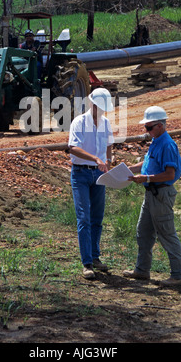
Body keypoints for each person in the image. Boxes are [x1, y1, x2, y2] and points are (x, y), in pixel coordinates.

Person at [124, 106, 181, 287]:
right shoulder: (157, 141)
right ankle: (142, 271)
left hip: (161, 194)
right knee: (143, 233)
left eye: (149, 128)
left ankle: (178, 275)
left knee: (167, 234)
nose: (147, 131)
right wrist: (132, 169)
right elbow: (150, 161)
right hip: (152, 194)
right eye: (146, 128)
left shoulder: (167, 144)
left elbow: (169, 174)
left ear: (160, 126)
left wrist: (147, 178)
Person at [68, 88, 114, 279]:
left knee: (97, 218)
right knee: (84, 218)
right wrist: (96, 159)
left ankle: (95, 257)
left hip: (99, 174)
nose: (101, 111)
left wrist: (109, 161)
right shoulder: (79, 122)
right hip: (81, 173)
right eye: (99, 107)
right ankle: (86, 263)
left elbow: (110, 143)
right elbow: (73, 147)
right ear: (91, 104)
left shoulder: (105, 123)